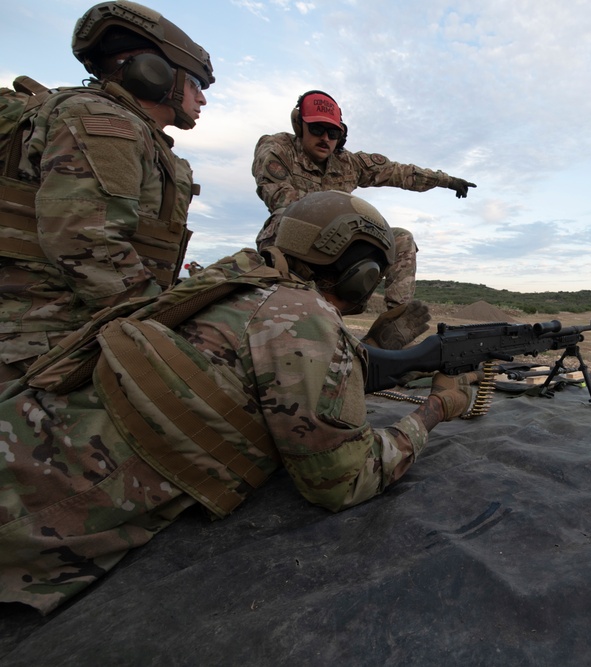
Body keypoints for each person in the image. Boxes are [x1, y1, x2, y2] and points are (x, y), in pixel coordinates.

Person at [0, 190, 479, 615]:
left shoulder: (231, 282)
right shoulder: (302, 317)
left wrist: (362, 356)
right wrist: (436, 408)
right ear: (363, 273)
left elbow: (263, 377)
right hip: (31, 519)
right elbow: (344, 481)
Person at [0, 1, 213, 386]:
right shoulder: (108, 123)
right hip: (48, 343)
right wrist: (158, 326)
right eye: (196, 84)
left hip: (57, 334)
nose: (202, 99)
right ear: (156, 73)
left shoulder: (109, 120)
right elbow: (87, 239)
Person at [251, 89, 476, 313]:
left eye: (333, 132)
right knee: (283, 219)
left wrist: (446, 181)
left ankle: (394, 324)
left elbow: (399, 172)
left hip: (340, 246)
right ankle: (286, 303)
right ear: (299, 125)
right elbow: (281, 199)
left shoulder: (349, 163)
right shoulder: (278, 148)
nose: (325, 138)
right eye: (317, 129)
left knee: (401, 240)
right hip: (295, 240)